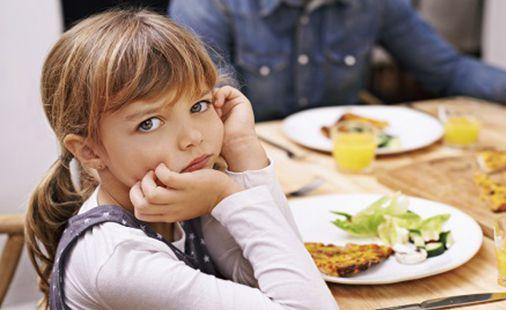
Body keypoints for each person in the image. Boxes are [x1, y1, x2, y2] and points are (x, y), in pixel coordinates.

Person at [24, 9, 337, 309]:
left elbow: (278, 275)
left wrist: (243, 149)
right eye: (149, 123)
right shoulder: (117, 261)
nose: (192, 138)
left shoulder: (186, 196)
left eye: (199, 105)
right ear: (90, 151)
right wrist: (226, 194)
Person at [169, 0, 506, 121]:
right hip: (253, 171)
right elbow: (201, 112)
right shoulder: (208, 4)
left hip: (353, 161)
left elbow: (445, 68)